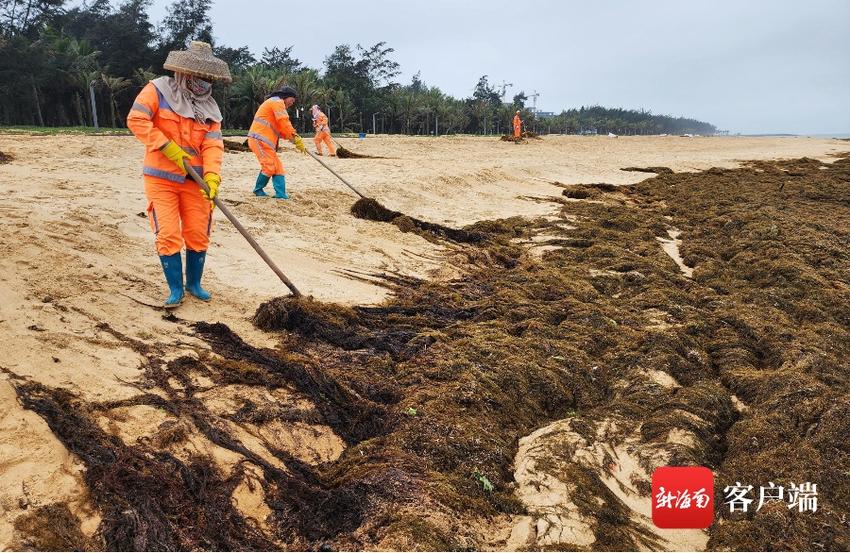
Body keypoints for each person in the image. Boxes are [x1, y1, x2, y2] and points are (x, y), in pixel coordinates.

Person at [127, 41, 230, 307]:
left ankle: (194, 283)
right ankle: (175, 289)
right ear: (184, 71)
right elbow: (136, 120)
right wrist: (166, 146)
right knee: (168, 233)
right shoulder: (158, 90)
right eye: (199, 76)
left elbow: (213, 144)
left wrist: (212, 176)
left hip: (195, 182)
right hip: (161, 178)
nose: (203, 82)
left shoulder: (210, 108)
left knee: (198, 232)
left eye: (208, 78)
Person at [248, 86, 306, 199]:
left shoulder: (275, 103)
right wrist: (294, 136)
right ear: (286, 96)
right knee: (269, 166)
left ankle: (281, 194)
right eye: (292, 100)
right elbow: (284, 122)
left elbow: (281, 131)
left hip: (265, 142)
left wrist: (295, 140)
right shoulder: (277, 102)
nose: (292, 103)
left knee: (278, 167)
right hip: (259, 139)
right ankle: (258, 190)